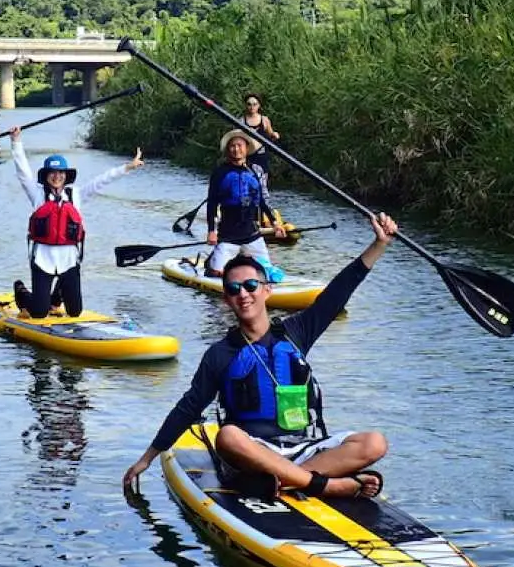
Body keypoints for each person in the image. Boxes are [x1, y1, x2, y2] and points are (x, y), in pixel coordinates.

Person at [122, 213, 398, 499]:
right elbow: (189, 407)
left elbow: (338, 292)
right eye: (233, 289)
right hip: (253, 453)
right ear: (227, 299)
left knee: (374, 443)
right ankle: (325, 485)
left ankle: (288, 482)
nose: (244, 294)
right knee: (227, 436)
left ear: (267, 290)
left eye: (251, 286)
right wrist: (148, 457)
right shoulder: (220, 354)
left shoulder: (297, 331)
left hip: (304, 448)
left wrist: (379, 244)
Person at [8, 126, 144, 318]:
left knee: (75, 312)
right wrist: (15, 141)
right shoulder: (37, 195)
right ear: (46, 176)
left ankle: (55, 299)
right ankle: (22, 293)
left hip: (69, 260)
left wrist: (127, 167)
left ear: (66, 175)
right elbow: (23, 171)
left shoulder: (76, 195)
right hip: (43, 260)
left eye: (61, 173)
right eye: (52, 173)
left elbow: (102, 181)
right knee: (39, 312)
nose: (57, 176)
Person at [204, 129, 288, 277]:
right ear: (228, 150)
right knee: (216, 272)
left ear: (246, 148)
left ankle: (243, 260)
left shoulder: (254, 171)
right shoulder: (220, 173)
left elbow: (261, 200)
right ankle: (212, 260)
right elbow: (212, 204)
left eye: (240, 145)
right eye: (232, 146)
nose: (236, 149)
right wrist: (212, 231)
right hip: (228, 235)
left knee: (265, 273)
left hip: (252, 234)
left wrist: (275, 223)